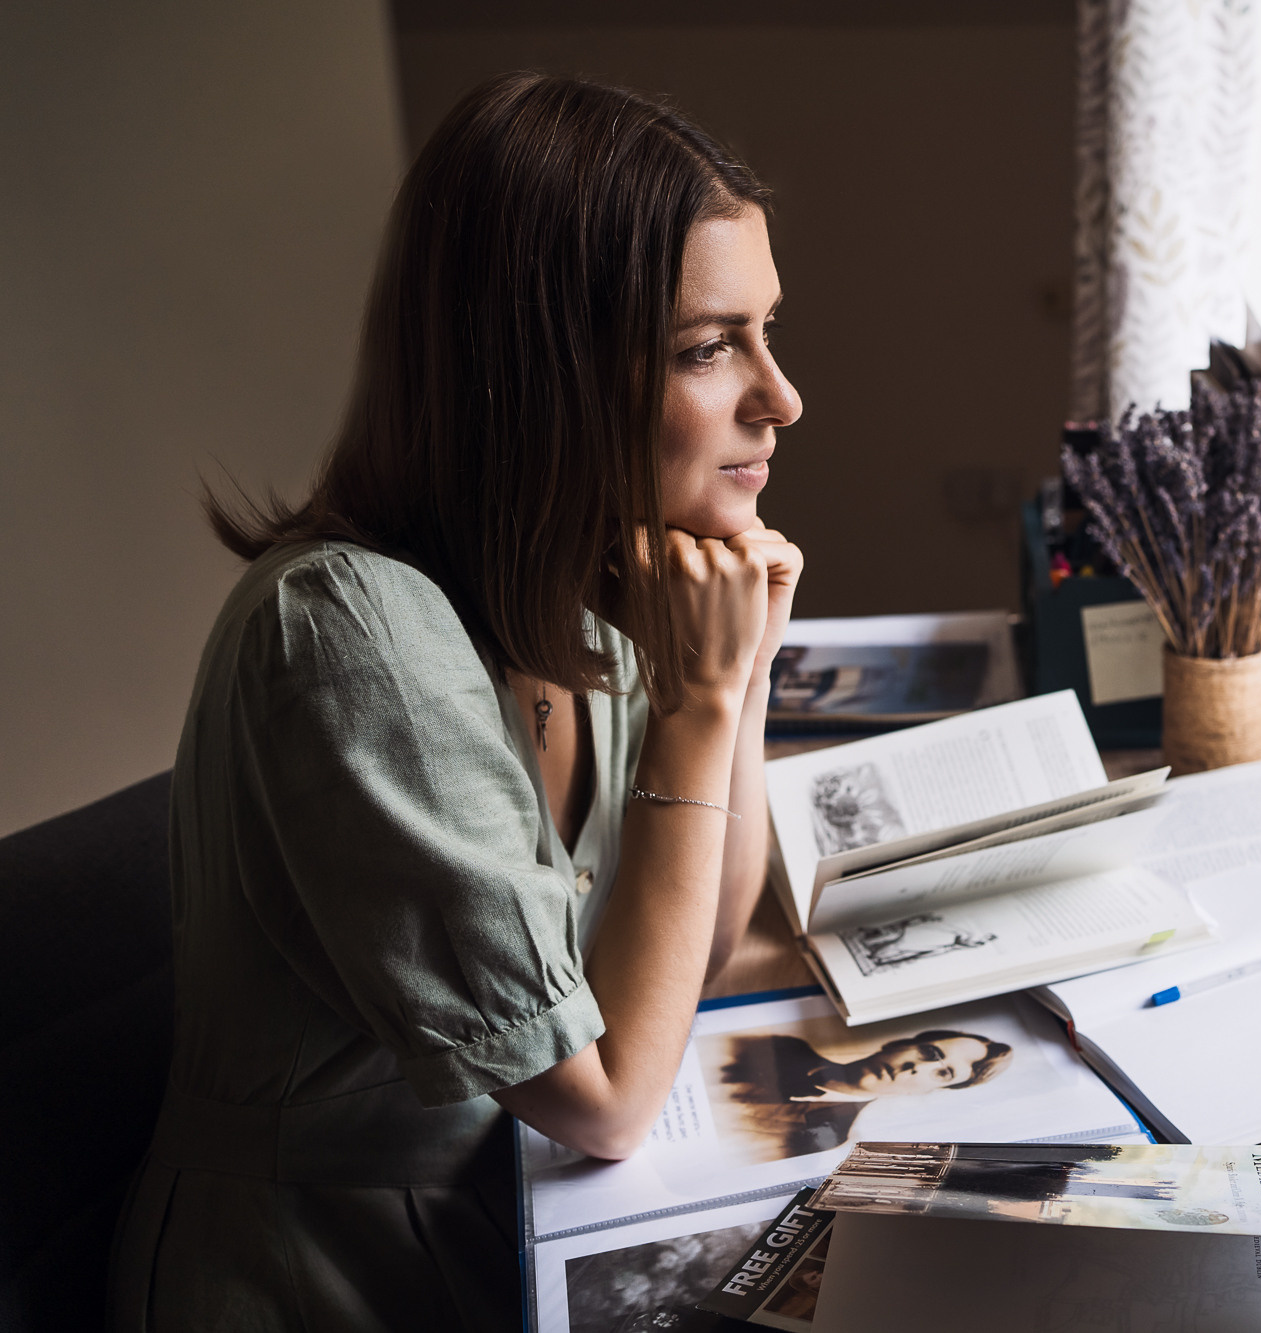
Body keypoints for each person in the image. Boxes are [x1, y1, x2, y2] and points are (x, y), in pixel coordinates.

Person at [108, 72, 803, 1332]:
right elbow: (602, 1100)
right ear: (545, 371)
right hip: (325, 1277)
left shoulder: (590, 591)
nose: (780, 397)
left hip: (514, 1222)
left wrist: (737, 674)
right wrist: (700, 704)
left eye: (766, 332)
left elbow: (692, 949)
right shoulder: (351, 634)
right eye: (710, 347)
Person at [715, 1029, 1013, 1157]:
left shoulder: (827, 1136)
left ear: (931, 1090)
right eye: (929, 1052)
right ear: (897, 1044)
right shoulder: (782, 1048)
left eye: (942, 1073)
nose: (916, 1069)